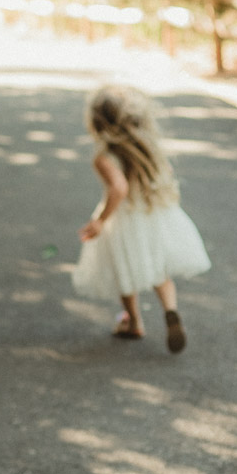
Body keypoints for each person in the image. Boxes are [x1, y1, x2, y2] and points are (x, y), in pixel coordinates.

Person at [72, 84, 211, 353]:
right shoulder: (148, 147)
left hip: (124, 221)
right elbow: (165, 172)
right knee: (159, 270)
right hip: (152, 214)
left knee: (125, 271)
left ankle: (134, 321)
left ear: (97, 122)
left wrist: (101, 219)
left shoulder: (104, 157)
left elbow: (119, 188)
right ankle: (170, 311)